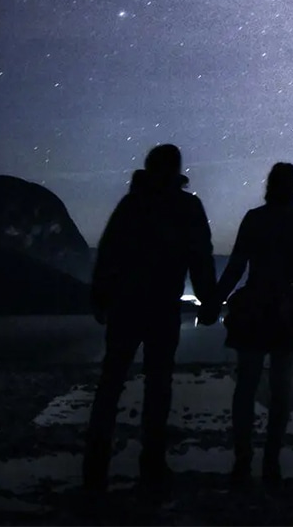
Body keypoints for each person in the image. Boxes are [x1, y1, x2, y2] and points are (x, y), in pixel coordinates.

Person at [83, 143, 216, 497]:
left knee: (112, 381)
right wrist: (209, 300)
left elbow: (109, 251)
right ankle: (151, 462)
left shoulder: (132, 204)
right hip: (161, 307)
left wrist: (100, 295)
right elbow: (200, 255)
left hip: (127, 306)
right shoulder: (187, 206)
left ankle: (94, 465)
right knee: (158, 384)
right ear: (176, 170)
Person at [207, 162, 293, 487]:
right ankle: (272, 460)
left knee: (246, 386)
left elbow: (236, 266)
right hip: (286, 309)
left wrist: (215, 300)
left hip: (254, 306)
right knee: (281, 386)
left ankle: (243, 459)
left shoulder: (254, 219)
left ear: (269, 185)